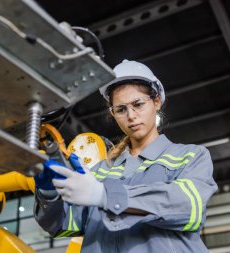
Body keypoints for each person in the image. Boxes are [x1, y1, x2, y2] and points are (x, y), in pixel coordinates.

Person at [34, 60, 218, 252]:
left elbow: (188, 208)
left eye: (138, 104)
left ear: (156, 102)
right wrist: (50, 194)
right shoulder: (99, 172)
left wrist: (104, 196)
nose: (131, 116)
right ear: (113, 114)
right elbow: (63, 225)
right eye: (121, 109)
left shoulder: (190, 156)